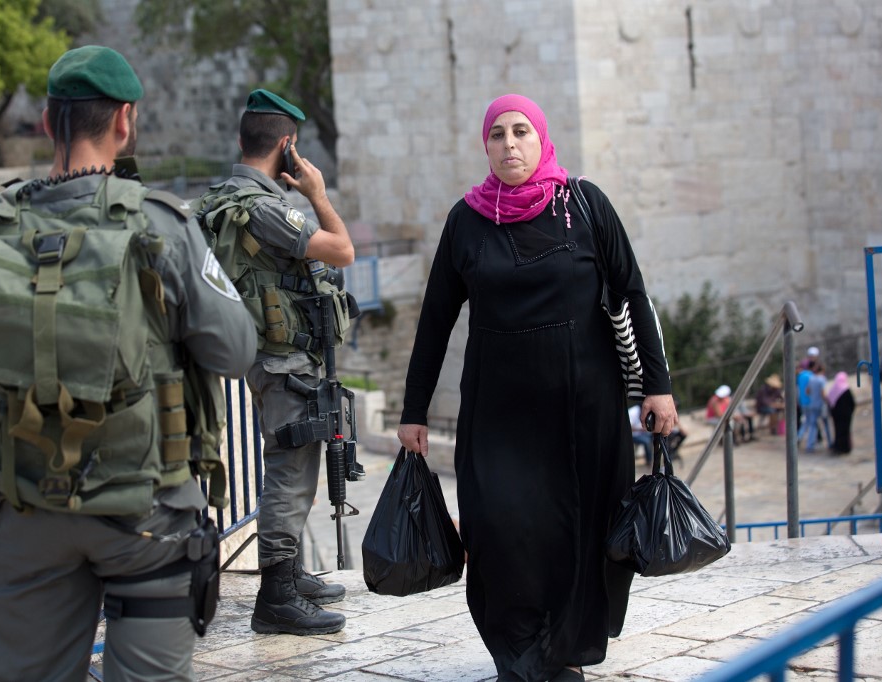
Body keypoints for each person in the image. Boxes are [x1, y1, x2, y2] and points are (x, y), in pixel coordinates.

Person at [0, 46, 257, 681]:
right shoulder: (163, 225)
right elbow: (236, 350)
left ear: (50, 122)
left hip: (28, 514)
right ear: (124, 122)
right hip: (151, 513)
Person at [396, 94, 677, 682]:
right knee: (498, 528)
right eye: (497, 134)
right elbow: (435, 319)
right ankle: (517, 653)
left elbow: (632, 291)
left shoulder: (585, 204)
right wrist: (413, 409)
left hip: (584, 409)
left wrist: (658, 385)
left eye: (521, 131)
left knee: (578, 529)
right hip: (498, 414)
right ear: (486, 146)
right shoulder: (466, 221)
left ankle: (562, 651)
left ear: (540, 137)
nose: (510, 144)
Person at [201, 89, 355, 636]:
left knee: (296, 467)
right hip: (283, 359)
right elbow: (342, 249)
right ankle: (277, 596)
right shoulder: (264, 206)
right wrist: (316, 192)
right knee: (290, 473)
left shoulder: (221, 196)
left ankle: (288, 573)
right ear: (287, 145)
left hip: (267, 352)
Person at [799, 360, 829, 452]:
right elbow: (823, 393)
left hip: (810, 404)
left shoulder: (809, 378)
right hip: (820, 405)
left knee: (812, 425)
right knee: (825, 424)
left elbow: (807, 391)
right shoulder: (821, 379)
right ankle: (830, 442)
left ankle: (809, 445)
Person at [827, 371, 855, 455]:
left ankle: (838, 447)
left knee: (838, 431)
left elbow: (830, 402)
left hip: (836, 416)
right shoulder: (846, 390)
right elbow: (852, 402)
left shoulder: (833, 389)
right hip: (846, 415)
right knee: (845, 431)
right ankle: (845, 448)